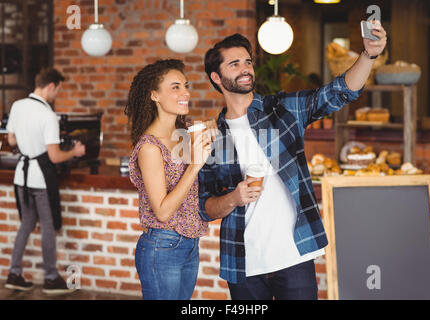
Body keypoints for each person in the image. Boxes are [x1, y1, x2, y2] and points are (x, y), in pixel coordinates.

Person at [199, 23, 387, 300]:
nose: (245, 69)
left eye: (248, 62)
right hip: (243, 263)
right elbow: (205, 208)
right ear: (216, 77)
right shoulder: (212, 138)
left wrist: (368, 55)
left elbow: (338, 92)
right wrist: (234, 198)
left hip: (294, 255)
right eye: (235, 64)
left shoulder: (282, 109)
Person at [125, 59, 213, 300]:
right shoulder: (149, 147)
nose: (186, 93)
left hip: (190, 244)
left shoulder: (184, 133)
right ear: (154, 95)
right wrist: (195, 165)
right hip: (162, 246)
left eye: (186, 86)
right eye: (175, 87)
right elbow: (162, 212)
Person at [5, 67, 86, 294]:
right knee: (48, 228)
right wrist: (75, 152)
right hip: (40, 178)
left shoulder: (17, 106)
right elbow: (55, 156)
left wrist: (27, 141)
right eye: (57, 90)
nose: (56, 95)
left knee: (27, 224)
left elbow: (11, 140)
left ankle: (14, 273)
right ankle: (51, 278)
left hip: (22, 175)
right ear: (50, 86)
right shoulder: (48, 115)